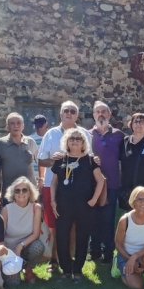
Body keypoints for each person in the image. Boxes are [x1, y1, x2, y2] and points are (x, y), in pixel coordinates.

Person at [37, 101, 91, 271]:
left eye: (72, 111)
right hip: (52, 185)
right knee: (55, 225)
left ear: (77, 115)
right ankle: (54, 260)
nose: (69, 113)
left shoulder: (84, 134)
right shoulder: (51, 134)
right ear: (60, 114)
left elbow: (89, 158)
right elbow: (41, 160)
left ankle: (72, 260)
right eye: (66, 110)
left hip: (78, 188)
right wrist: (56, 161)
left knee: (75, 225)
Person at [50, 127, 105, 282]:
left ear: (83, 143)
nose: (74, 141)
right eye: (71, 138)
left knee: (82, 237)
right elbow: (54, 183)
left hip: (84, 206)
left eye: (78, 139)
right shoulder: (61, 159)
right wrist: (53, 201)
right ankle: (66, 270)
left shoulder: (89, 160)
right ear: (66, 141)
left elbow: (101, 180)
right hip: (63, 205)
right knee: (62, 237)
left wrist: (94, 200)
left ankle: (78, 270)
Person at [88, 101, 124, 264]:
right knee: (93, 219)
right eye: (97, 112)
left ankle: (108, 253)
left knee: (108, 220)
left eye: (104, 111)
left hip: (112, 184)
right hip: (91, 185)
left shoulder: (119, 135)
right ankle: (94, 252)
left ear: (109, 115)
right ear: (94, 115)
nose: (100, 114)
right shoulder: (87, 135)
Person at [2, 177, 47, 284]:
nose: (21, 193)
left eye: (24, 190)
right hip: (9, 250)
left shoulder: (36, 208)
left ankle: (28, 269)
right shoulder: (6, 209)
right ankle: (12, 271)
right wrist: (8, 253)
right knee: (14, 284)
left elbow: (36, 234)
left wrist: (20, 246)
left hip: (26, 246)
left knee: (38, 247)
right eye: (17, 190)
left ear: (30, 192)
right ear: (13, 193)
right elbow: (1, 235)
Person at [114, 186, 144, 289]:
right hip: (126, 255)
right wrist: (130, 260)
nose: (143, 202)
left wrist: (135, 257)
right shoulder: (124, 220)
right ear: (133, 201)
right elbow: (118, 244)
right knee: (137, 286)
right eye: (139, 199)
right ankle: (119, 266)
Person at [0, 112, 38, 192]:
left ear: (23, 126)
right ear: (7, 127)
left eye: (19, 123)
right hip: (9, 191)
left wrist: (41, 179)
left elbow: (39, 162)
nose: (16, 126)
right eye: (12, 123)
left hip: (30, 191)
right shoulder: (0, 144)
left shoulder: (30, 142)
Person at [31, 114, 49, 187]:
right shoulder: (31, 139)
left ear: (46, 124)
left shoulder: (50, 138)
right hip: (34, 176)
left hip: (48, 175)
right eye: (37, 125)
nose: (39, 128)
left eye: (41, 125)